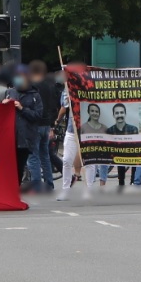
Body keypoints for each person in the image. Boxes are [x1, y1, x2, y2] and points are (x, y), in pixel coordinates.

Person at [56, 67, 98, 202]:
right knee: (67, 160)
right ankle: (66, 190)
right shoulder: (66, 90)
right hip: (71, 130)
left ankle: (89, 190)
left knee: (89, 162)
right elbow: (64, 106)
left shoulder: (88, 89)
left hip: (87, 130)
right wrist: (68, 100)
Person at [8, 70, 45, 191]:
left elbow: (38, 115)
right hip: (11, 135)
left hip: (26, 137)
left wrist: (22, 108)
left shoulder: (34, 95)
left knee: (19, 166)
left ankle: (16, 190)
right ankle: (11, 191)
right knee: (9, 167)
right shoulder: (11, 92)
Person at [27, 61, 61, 194]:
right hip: (46, 124)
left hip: (35, 124)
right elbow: (54, 107)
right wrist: (52, 124)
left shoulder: (31, 87)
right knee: (45, 155)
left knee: (33, 156)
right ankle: (49, 183)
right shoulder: (50, 86)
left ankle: (36, 185)